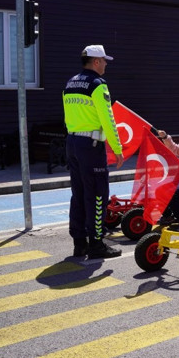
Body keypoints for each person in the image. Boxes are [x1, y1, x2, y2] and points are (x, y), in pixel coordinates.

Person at [63, 44, 124, 259]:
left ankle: (79, 243)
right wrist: (117, 149)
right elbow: (108, 118)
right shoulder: (98, 84)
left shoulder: (70, 83)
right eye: (104, 60)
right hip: (91, 146)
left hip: (72, 142)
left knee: (78, 194)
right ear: (96, 62)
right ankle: (97, 244)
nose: (106, 64)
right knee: (98, 194)